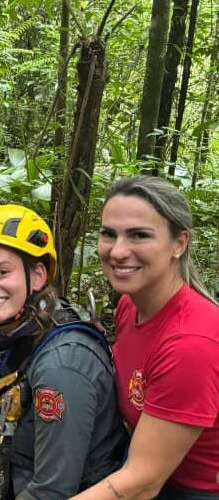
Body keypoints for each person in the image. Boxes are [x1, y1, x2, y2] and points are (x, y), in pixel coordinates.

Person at [0, 204, 126, 500]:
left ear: (37, 275)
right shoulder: (13, 335)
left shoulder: (60, 366)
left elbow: (52, 491)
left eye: (2, 272)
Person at [72, 176, 219, 500]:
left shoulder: (190, 343)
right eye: (109, 234)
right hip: (145, 461)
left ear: (179, 243)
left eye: (139, 235)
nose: (118, 251)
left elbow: (143, 482)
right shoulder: (129, 305)